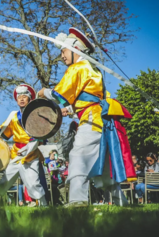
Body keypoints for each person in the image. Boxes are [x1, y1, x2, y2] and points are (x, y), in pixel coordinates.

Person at [38, 27, 135, 207]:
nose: (61, 56)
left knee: (78, 156)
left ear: (76, 49)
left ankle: (77, 200)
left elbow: (60, 95)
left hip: (91, 120)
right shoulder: (92, 68)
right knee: (105, 169)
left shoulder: (78, 67)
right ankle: (122, 203)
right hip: (101, 121)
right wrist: (71, 110)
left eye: (63, 50)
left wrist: (44, 92)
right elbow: (89, 97)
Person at [0, 84, 48, 206]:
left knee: (33, 183)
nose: (21, 99)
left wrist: (30, 146)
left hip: (30, 154)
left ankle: (44, 205)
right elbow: (2, 131)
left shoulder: (36, 115)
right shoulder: (13, 116)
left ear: (30, 99)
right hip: (15, 154)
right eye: (19, 97)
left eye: (24, 96)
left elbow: (42, 136)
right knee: (4, 180)